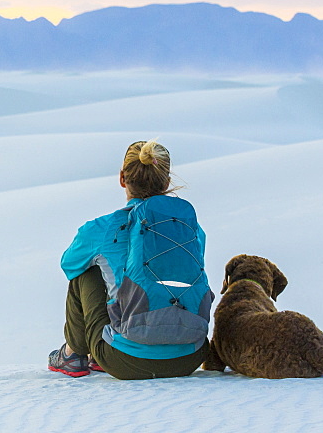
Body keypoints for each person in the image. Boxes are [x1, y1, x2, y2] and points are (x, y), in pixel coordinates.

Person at [48, 140, 213, 379]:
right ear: (166, 182)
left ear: (122, 178)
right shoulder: (190, 229)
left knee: (85, 270)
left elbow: (69, 264)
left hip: (126, 360)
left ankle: (73, 355)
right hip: (190, 356)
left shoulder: (102, 228)